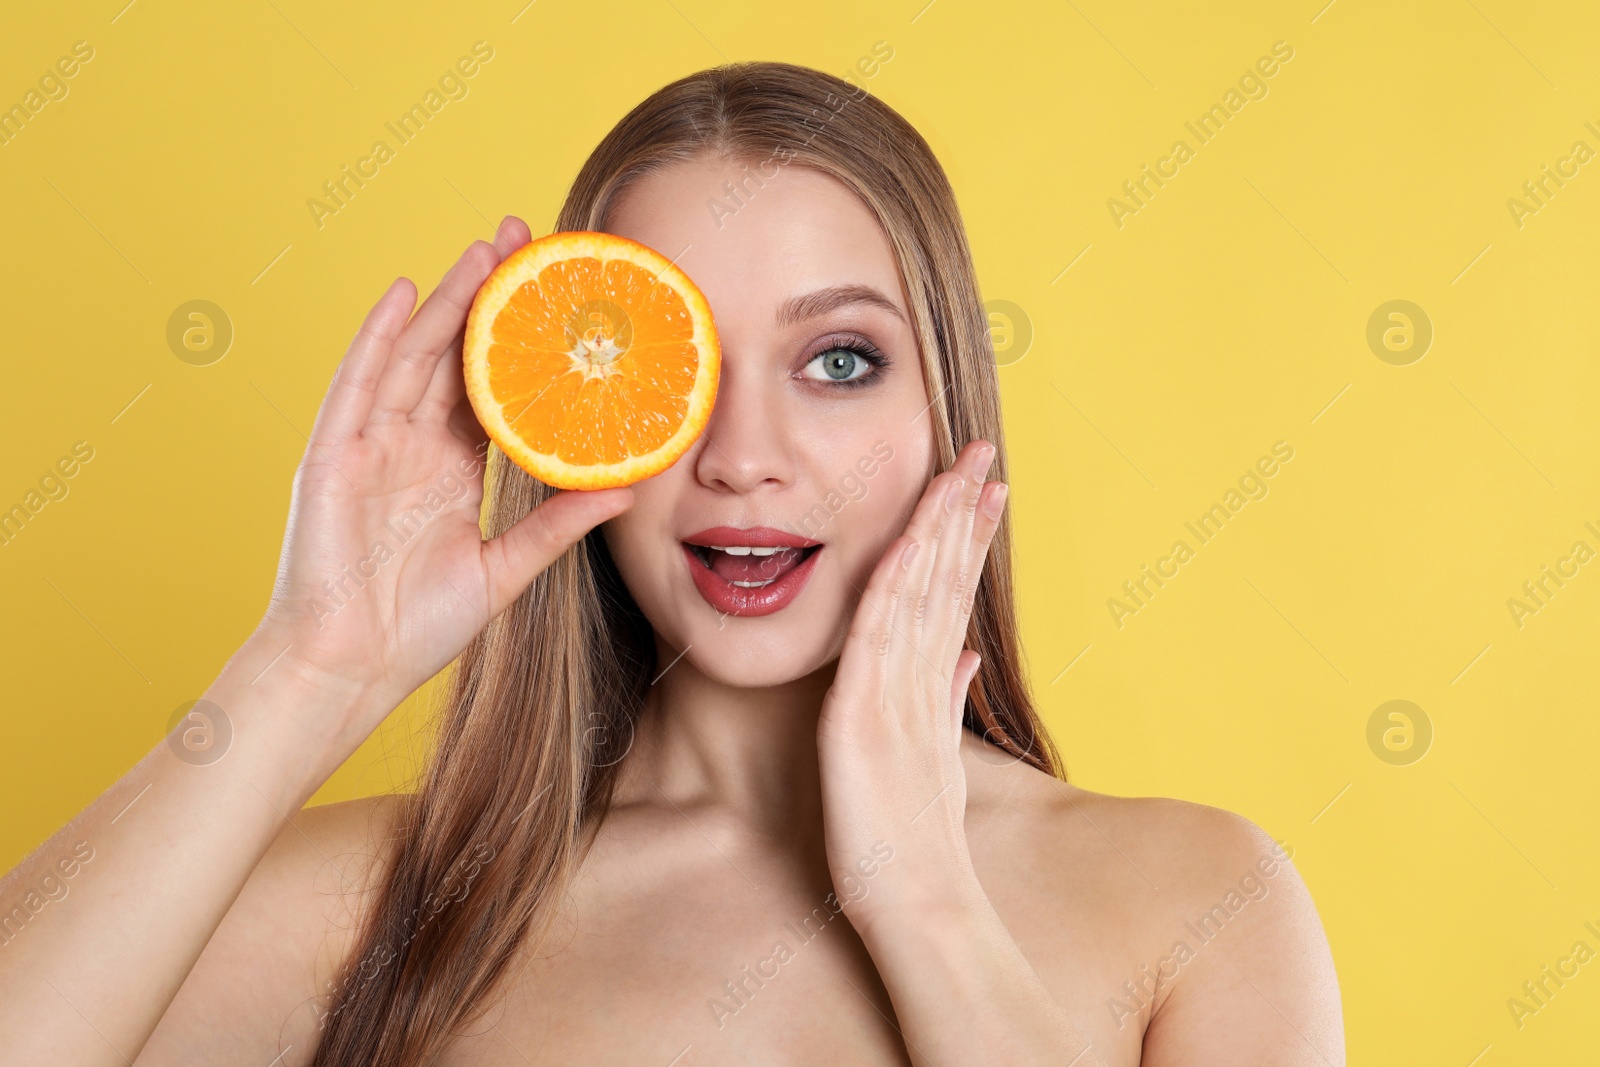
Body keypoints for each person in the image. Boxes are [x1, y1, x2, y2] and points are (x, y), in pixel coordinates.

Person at [0, 61, 1343, 1065]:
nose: (744, 455)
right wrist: (310, 665)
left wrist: (921, 898)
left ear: (952, 410)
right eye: (665, 365)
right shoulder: (378, 912)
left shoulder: (1198, 903)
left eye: (838, 361)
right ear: (571, 423)